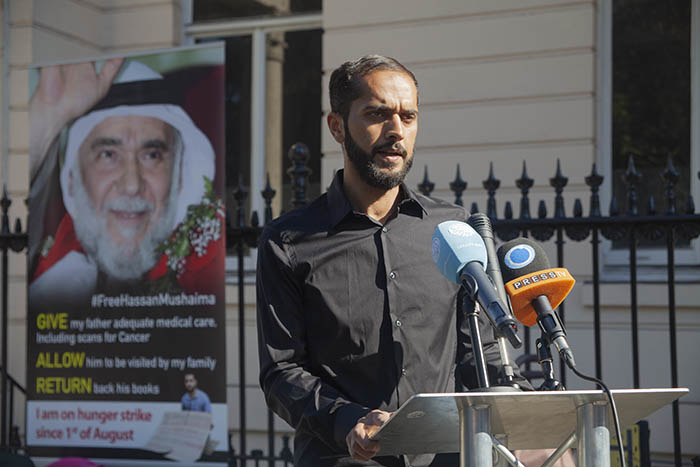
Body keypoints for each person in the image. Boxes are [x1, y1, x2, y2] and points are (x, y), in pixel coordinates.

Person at [256, 55, 534, 467]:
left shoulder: (452, 230)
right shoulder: (288, 242)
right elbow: (282, 372)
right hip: (342, 457)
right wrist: (347, 419)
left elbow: (480, 353)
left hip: (449, 455)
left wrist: (530, 414)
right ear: (337, 127)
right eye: (377, 114)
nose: (396, 131)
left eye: (408, 116)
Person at [28, 59, 224, 306]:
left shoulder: (210, 264)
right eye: (108, 155)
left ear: (180, 178)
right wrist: (48, 116)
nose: (132, 185)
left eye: (152, 156)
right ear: (71, 182)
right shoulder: (43, 271)